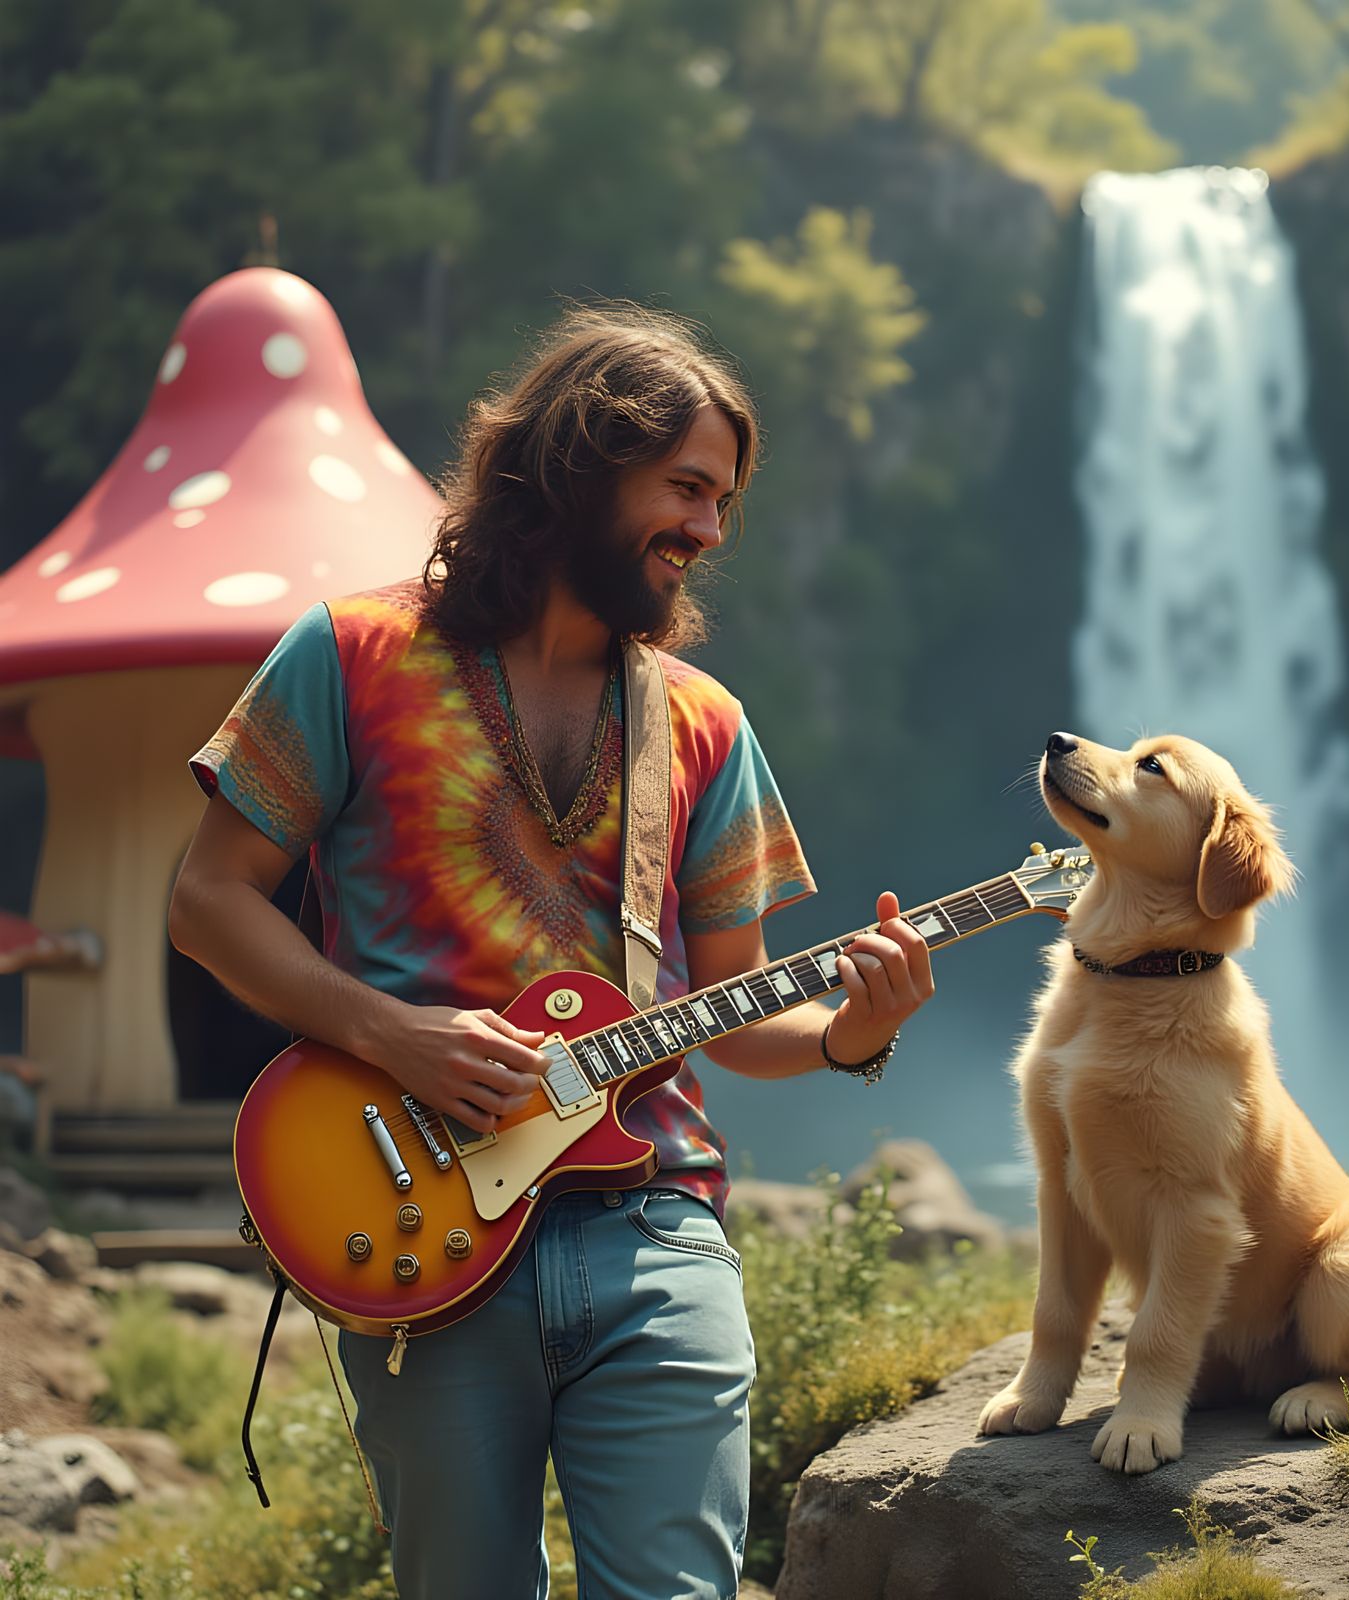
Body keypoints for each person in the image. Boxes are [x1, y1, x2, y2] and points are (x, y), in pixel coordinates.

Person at [168, 304, 935, 1600]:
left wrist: (861, 1031)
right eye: (687, 487)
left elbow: (733, 1012)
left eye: (724, 503)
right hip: (421, 1225)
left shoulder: (702, 722)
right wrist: (388, 1031)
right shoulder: (351, 655)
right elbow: (207, 901)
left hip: (654, 1226)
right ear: (582, 463)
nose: (708, 529)